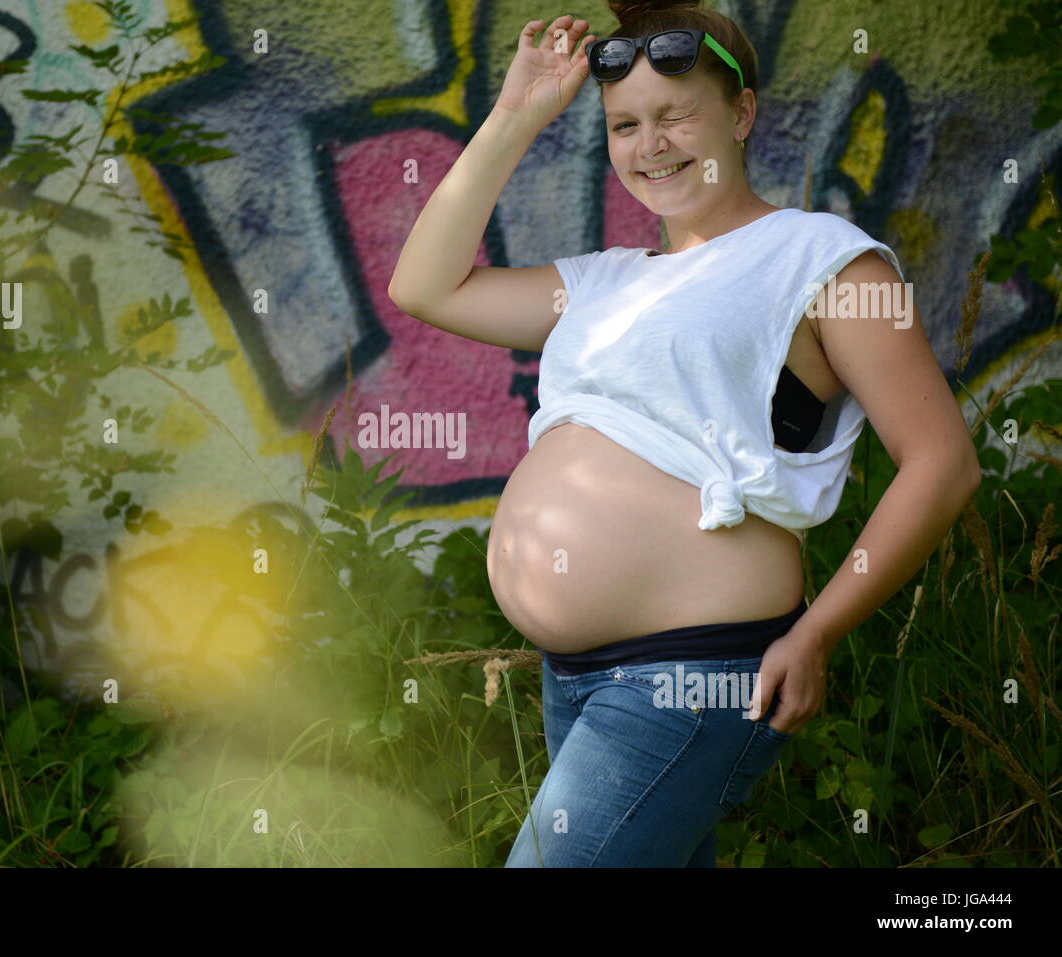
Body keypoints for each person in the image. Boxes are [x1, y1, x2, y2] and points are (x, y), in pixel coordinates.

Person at [387, 0, 981, 867]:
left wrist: (817, 631)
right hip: (574, 677)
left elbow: (942, 464)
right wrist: (516, 116)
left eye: (675, 115)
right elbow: (424, 285)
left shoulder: (824, 258)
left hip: (690, 673)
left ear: (740, 114)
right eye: (625, 124)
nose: (650, 144)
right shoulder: (602, 280)